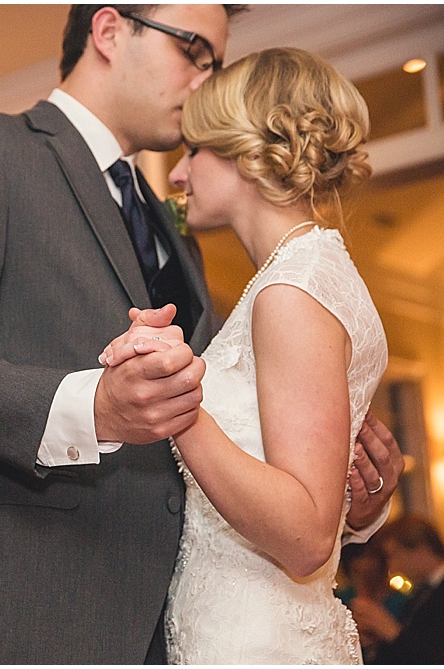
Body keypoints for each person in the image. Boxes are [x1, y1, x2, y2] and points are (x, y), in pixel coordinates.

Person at [0, 5, 402, 664]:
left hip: (175, 635)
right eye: (193, 51)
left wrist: (355, 505)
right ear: (110, 31)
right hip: (27, 622)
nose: (206, 80)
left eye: (217, 65)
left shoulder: (176, 232)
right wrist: (94, 407)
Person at [99, 45, 386, 663]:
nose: (178, 173)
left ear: (250, 153)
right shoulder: (303, 274)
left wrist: (177, 402)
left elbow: (306, 534)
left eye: (195, 149)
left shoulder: (291, 289)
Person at [351, 515, 444, 665]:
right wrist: (371, 643)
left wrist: (392, 631)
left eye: (394, 554)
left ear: (421, 548)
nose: (393, 566)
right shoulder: (418, 594)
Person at [337, 541, 409, 661]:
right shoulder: (341, 600)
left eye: (370, 558)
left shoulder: (403, 602)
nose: (364, 565)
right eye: (357, 572)